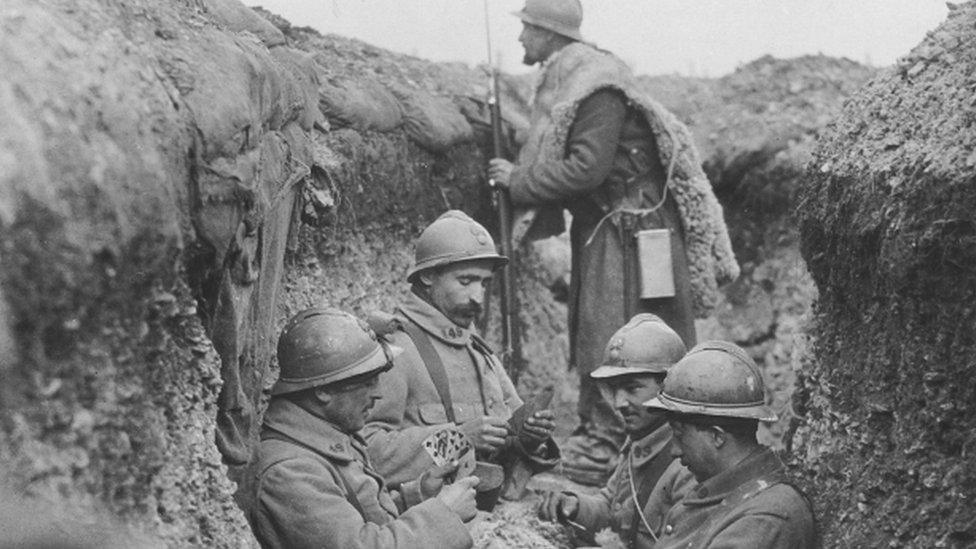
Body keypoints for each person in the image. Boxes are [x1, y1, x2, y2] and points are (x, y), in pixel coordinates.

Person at [488, 0, 739, 485]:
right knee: (607, 331)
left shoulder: (596, 89)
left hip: (632, 236)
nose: (521, 39)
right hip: (615, 230)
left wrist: (519, 181)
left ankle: (614, 444)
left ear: (548, 32)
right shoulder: (577, 80)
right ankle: (622, 440)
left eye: (525, 28)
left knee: (614, 334)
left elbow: (587, 168)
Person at [364, 210, 559, 505]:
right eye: (466, 281)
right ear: (428, 276)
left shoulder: (479, 352)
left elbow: (507, 439)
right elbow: (367, 451)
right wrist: (457, 439)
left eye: (484, 283)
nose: (478, 297)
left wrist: (529, 437)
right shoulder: (395, 350)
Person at [250, 307, 478, 549]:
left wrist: (417, 496)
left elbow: (364, 517)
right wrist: (444, 513)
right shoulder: (289, 472)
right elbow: (363, 544)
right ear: (323, 390)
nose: (378, 393)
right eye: (367, 383)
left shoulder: (327, 436)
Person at [537, 314, 696, 547]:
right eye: (616, 390)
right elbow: (613, 506)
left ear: (669, 387)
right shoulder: (641, 442)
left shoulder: (688, 462)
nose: (620, 402)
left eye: (632, 388)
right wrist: (574, 505)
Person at [644, 341, 817, 548]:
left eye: (680, 436)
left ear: (717, 436)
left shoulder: (765, 517)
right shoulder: (724, 492)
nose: (674, 450)